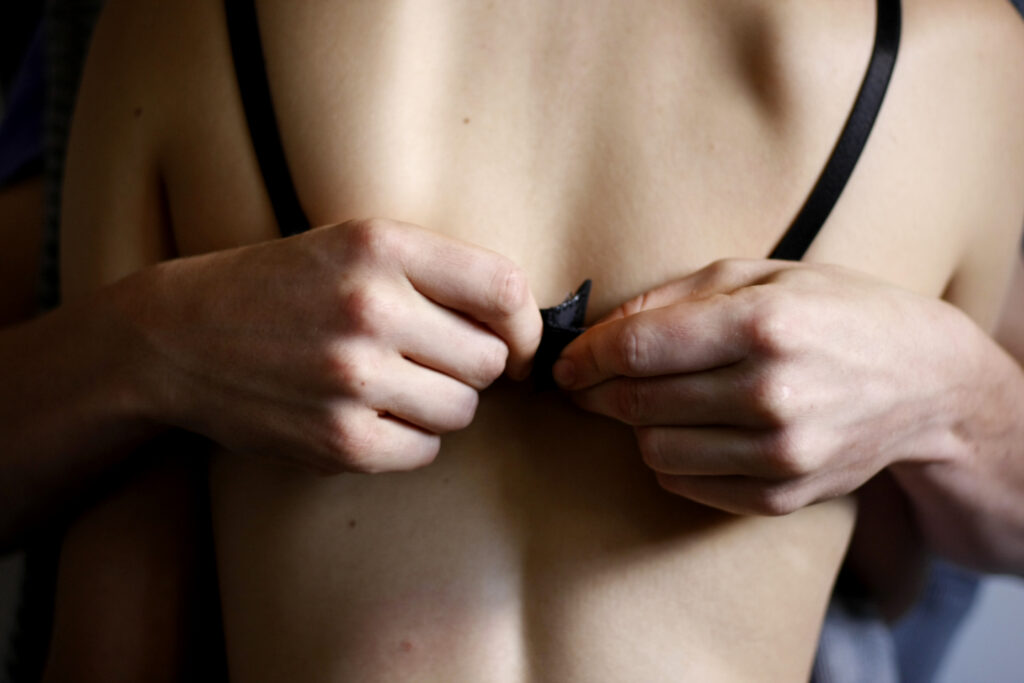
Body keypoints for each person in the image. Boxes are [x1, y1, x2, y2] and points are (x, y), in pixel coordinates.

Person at [2, 0, 1022, 680]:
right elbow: (892, 569)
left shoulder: (179, 23)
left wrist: (953, 395)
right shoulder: (958, 61)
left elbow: (110, 648)